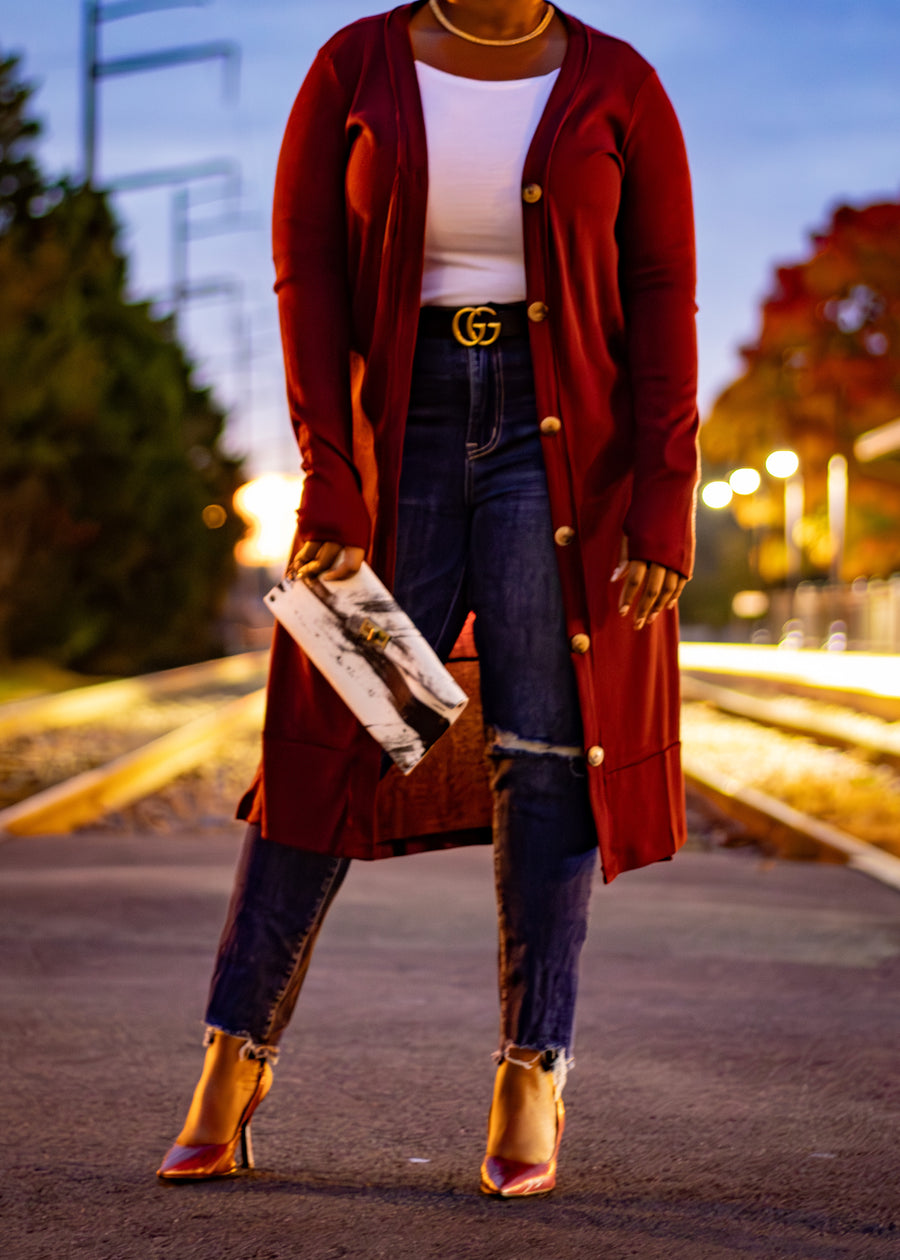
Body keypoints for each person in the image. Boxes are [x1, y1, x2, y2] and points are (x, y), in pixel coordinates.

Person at [157, 0, 698, 1197]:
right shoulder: (355, 64)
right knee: (327, 735)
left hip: (560, 445)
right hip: (397, 428)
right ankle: (234, 1055)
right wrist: (331, 471)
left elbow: (662, 292)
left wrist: (666, 490)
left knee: (548, 754)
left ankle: (531, 1067)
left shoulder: (622, 84)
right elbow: (306, 276)